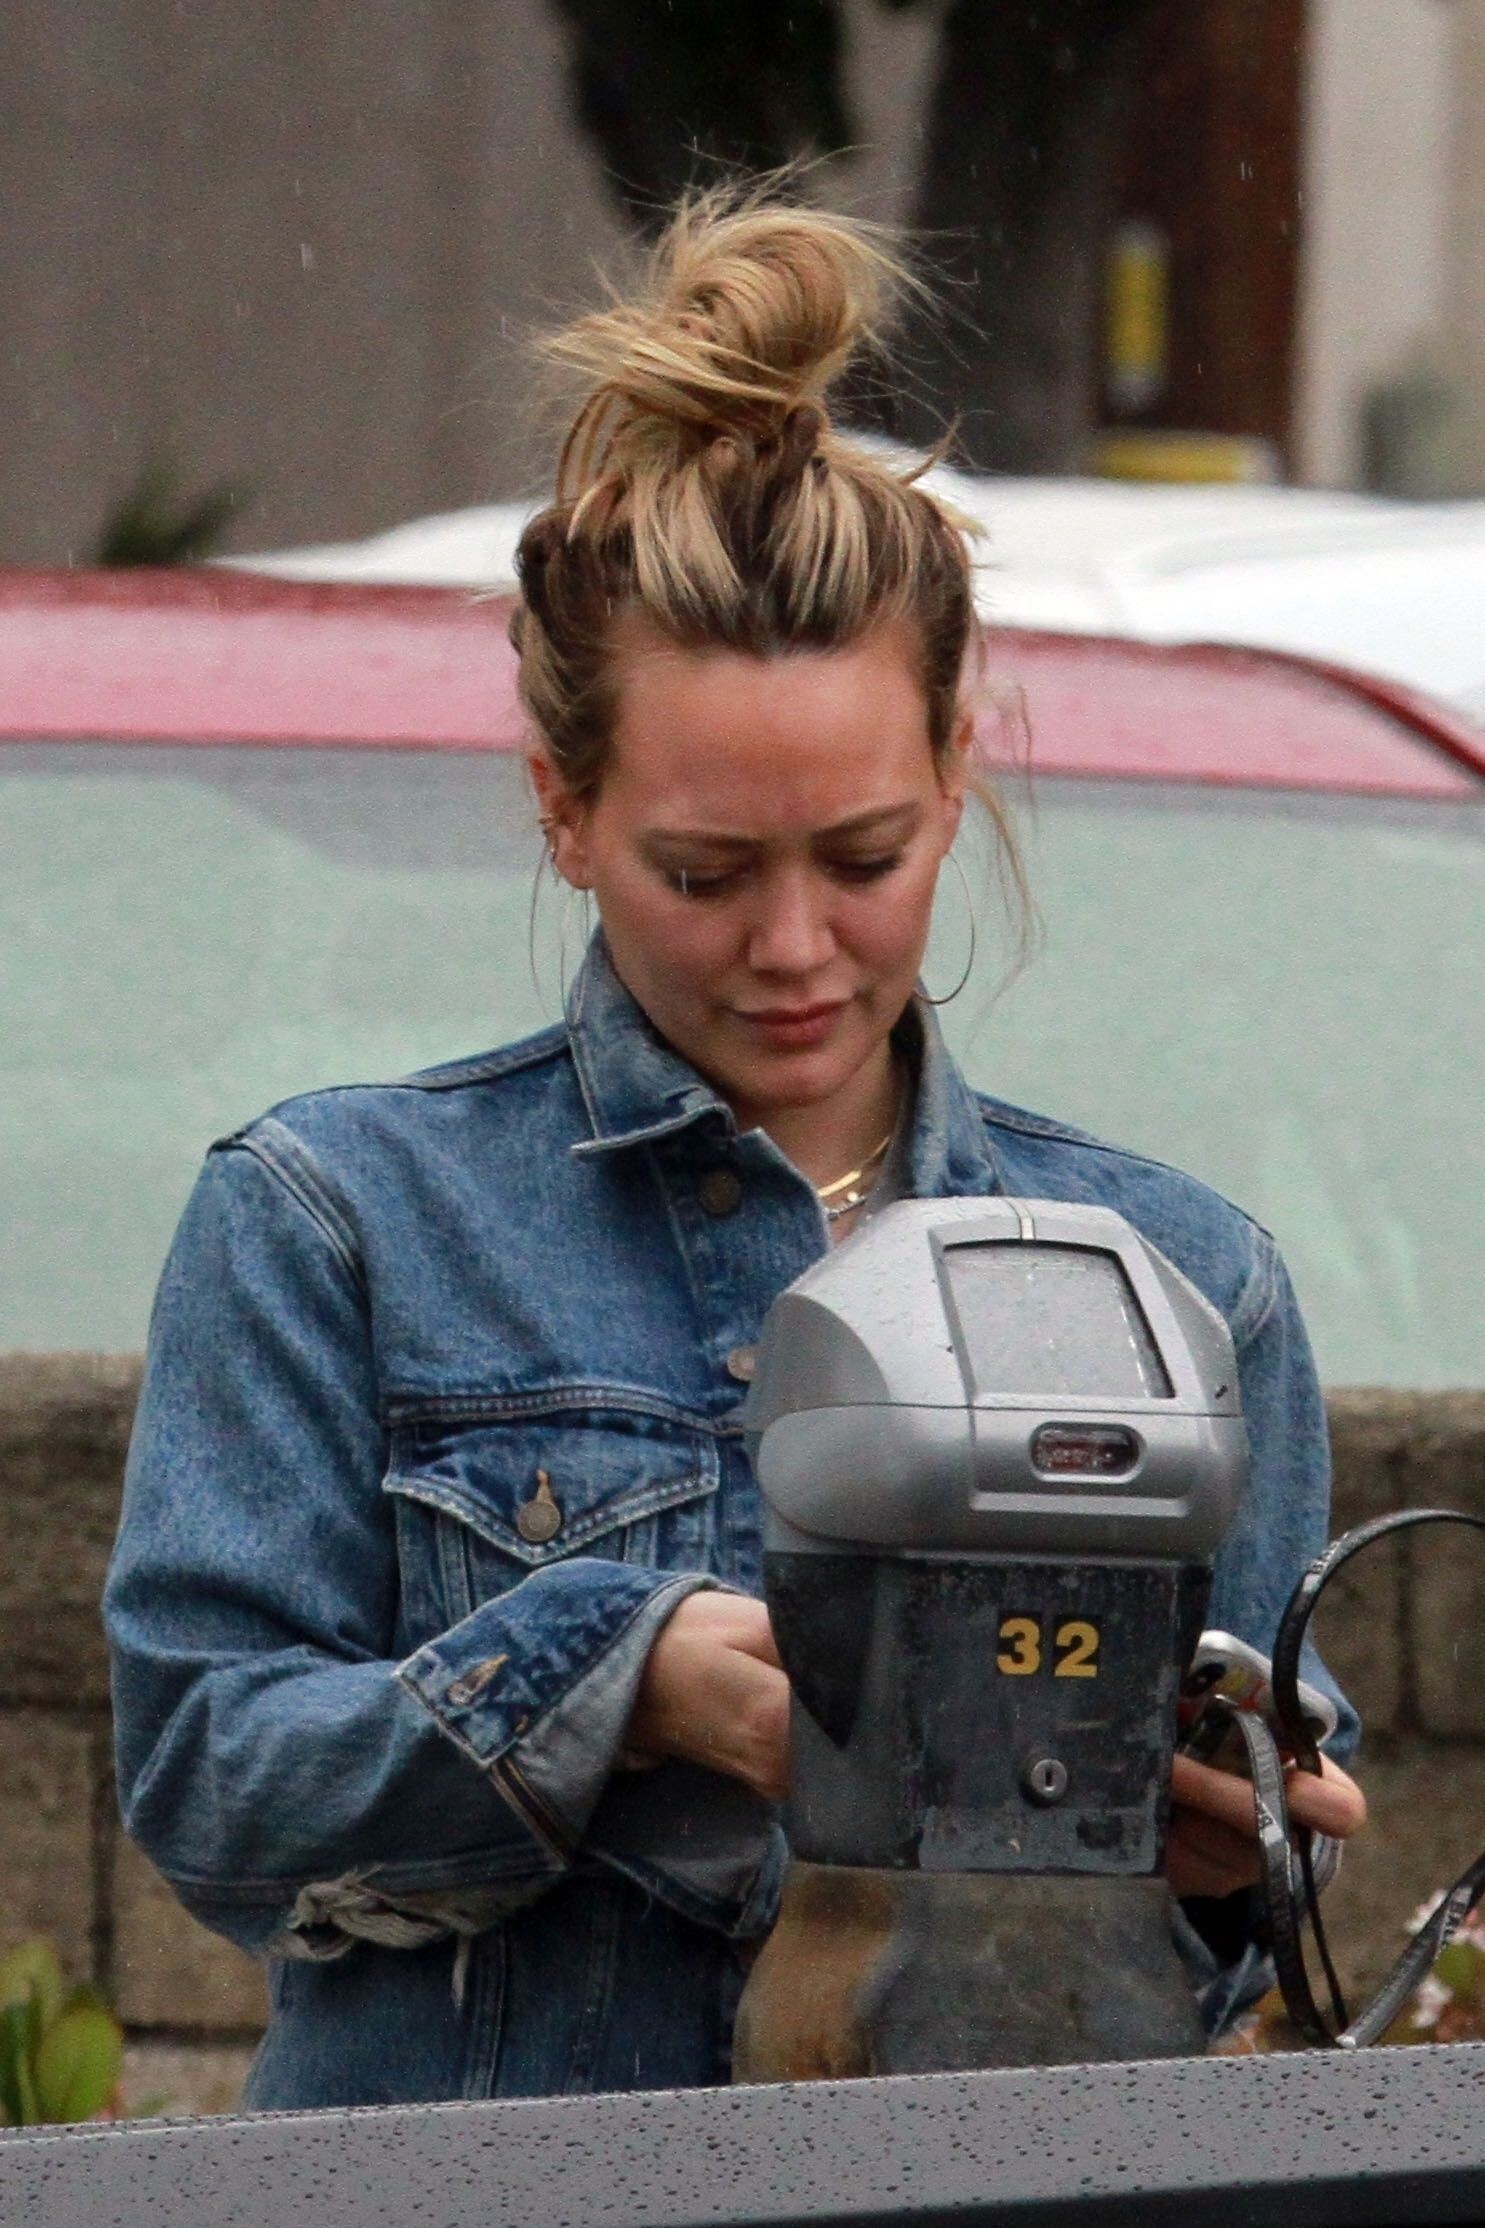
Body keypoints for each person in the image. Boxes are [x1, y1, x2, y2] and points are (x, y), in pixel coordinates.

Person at [105, 188, 1365, 2111]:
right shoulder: (338, 1218)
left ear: (957, 773)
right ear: (560, 809)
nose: (791, 945)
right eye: (703, 873)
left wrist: (1237, 1842)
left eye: (864, 858)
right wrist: (616, 1680)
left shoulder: (1184, 1284)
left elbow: (1231, 1940)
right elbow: (211, 1790)